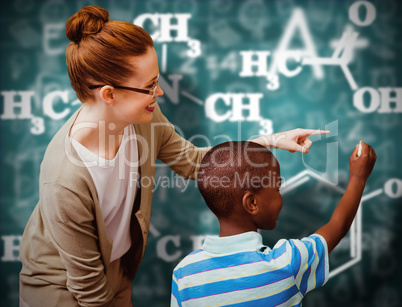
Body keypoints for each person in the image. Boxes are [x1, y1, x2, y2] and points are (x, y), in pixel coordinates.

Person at [19, 5, 329, 307]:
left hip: (115, 273)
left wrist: (271, 140)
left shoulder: (143, 118)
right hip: (61, 288)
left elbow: (196, 162)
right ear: (109, 94)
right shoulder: (65, 178)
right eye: (150, 86)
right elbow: (87, 289)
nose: (160, 93)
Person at [171, 141, 376, 306]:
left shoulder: (184, 274)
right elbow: (337, 226)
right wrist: (358, 178)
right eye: (277, 188)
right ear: (252, 203)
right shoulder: (286, 262)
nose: (280, 197)